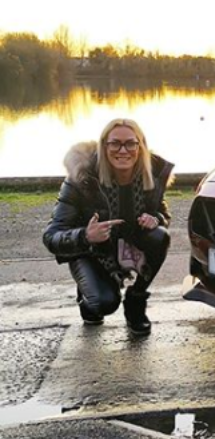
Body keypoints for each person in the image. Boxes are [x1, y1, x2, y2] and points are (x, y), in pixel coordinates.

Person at [43, 118, 173, 335]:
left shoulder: (152, 174)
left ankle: (135, 302)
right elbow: (51, 236)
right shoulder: (81, 179)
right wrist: (85, 235)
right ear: (104, 146)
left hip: (127, 243)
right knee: (104, 304)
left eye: (131, 143)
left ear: (141, 146)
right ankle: (87, 296)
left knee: (160, 237)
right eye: (115, 143)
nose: (123, 150)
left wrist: (157, 218)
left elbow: (162, 211)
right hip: (90, 251)